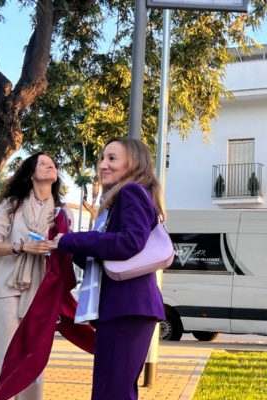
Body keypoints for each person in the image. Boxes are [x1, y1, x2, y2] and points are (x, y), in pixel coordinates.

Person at [48, 137, 165, 400]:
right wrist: (64, 243)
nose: (103, 165)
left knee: (112, 392)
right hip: (123, 308)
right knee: (110, 391)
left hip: (128, 308)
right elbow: (104, 259)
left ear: (134, 163)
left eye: (112, 158)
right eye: (102, 158)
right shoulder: (119, 199)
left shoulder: (131, 192)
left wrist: (72, 240)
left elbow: (130, 242)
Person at [0, 152, 67, 400]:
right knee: (3, 362)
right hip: (6, 290)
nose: (49, 165)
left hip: (41, 294)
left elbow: (66, 258)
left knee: (34, 363)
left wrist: (59, 247)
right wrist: (21, 246)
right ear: (31, 174)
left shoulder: (61, 213)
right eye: (42, 163)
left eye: (52, 163)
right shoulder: (12, 205)